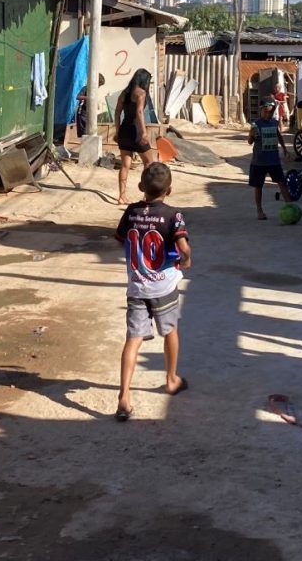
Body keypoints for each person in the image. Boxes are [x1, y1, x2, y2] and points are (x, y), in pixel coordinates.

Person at [114, 162, 191, 421]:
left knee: (133, 338)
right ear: (169, 190)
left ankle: (124, 395)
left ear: (140, 187)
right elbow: (183, 247)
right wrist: (186, 259)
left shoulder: (131, 211)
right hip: (163, 286)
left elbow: (121, 239)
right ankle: (171, 379)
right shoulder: (173, 215)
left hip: (137, 286)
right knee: (170, 331)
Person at [114, 68, 158, 205]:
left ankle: (121, 196)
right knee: (149, 163)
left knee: (125, 165)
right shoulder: (141, 93)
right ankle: (147, 196)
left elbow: (117, 112)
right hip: (136, 131)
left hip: (124, 130)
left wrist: (117, 131)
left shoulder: (124, 93)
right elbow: (139, 112)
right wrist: (143, 132)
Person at [247, 99, 292, 221]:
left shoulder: (274, 123)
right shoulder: (255, 125)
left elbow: (279, 136)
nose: (268, 114)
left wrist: (285, 149)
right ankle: (259, 210)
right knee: (258, 186)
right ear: (261, 110)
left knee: (282, 182)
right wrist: (251, 134)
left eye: (271, 112)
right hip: (259, 161)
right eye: (266, 112)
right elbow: (250, 141)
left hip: (274, 160)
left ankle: (290, 206)